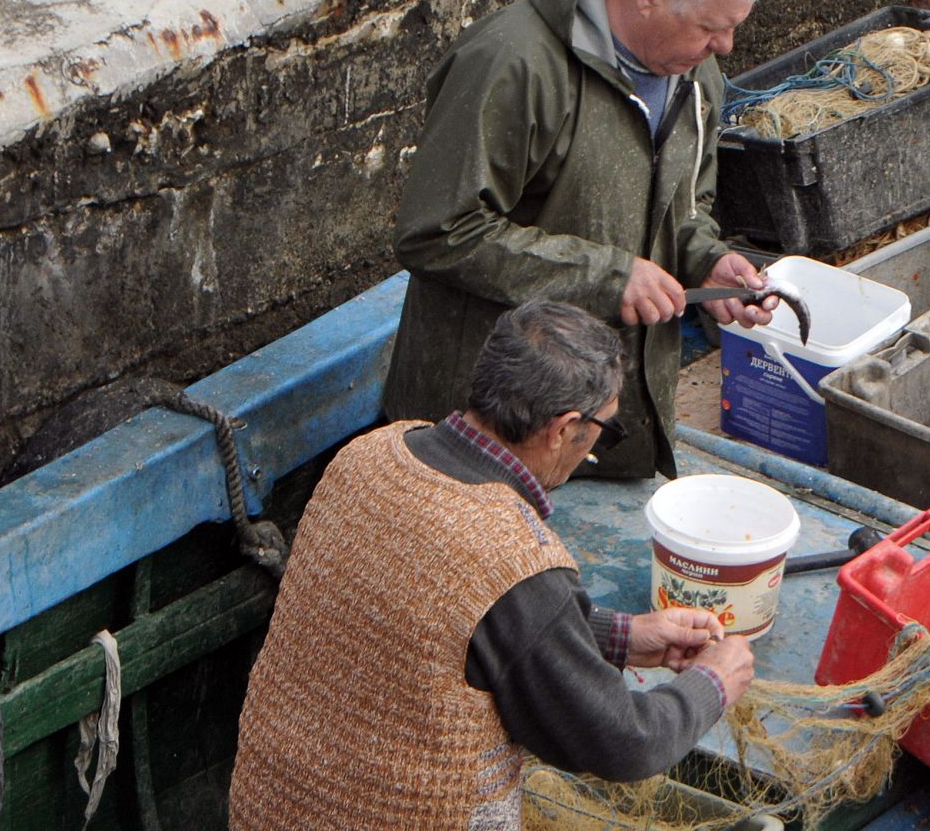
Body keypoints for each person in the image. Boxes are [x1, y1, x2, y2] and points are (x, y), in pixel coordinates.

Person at [231, 301, 756, 829]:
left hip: (266, 805)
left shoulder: (369, 455)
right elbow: (622, 743)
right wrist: (712, 682)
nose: (599, 444)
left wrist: (620, 635)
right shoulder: (515, 562)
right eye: (607, 431)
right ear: (564, 428)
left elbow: (443, 625)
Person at [383, 0, 782, 479]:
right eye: (710, 28)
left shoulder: (695, 74)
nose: (724, 48)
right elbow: (437, 232)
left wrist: (706, 261)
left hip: (607, 426)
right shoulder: (510, 64)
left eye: (731, 28)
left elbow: (686, 204)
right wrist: (608, 278)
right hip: (490, 439)